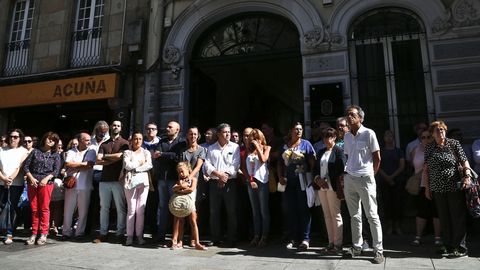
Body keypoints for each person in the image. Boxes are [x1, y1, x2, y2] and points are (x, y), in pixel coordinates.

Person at [424, 121, 472, 258]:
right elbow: (426, 170)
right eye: (437, 130)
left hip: (454, 185)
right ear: (432, 134)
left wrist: (467, 176)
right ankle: (448, 245)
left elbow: (464, 160)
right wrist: (427, 188)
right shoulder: (429, 147)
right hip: (437, 187)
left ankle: (460, 247)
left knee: (457, 216)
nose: (441, 132)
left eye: (442, 129)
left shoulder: (453, 144)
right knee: (444, 217)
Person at [343, 105, 384, 264]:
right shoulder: (346, 136)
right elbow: (348, 156)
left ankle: (378, 250)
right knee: (354, 216)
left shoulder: (369, 133)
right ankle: (357, 247)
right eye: (347, 115)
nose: (349, 117)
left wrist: (370, 175)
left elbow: (377, 158)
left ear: (360, 118)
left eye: (352, 115)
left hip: (365, 178)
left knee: (372, 215)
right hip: (350, 178)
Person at [279, 122, 315, 251]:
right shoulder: (285, 145)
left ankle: (305, 239)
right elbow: (280, 163)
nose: (299, 131)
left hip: (303, 182)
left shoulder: (306, 144)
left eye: (300, 129)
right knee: (291, 210)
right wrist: (281, 177)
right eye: (296, 129)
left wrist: (311, 179)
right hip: (289, 182)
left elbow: (312, 162)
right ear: (291, 131)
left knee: (304, 209)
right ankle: (294, 238)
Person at [203, 123, 241, 247]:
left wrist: (224, 176)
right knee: (214, 211)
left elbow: (235, 164)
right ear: (218, 134)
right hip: (214, 183)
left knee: (231, 211)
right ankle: (215, 237)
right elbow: (207, 164)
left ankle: (232, 238)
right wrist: (218, 175)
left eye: (229, 132)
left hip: (229, 182)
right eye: (225, 132)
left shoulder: (235, 147)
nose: (228, 134)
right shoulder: (211, 148)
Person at [93, 120, 129, 243]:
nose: (116, 127)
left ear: (121, 128)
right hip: (104, 179)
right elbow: (98, 160)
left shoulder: (125, 143)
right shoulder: (104, 144)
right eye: (114, 125)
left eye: (118, 125)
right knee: (104, 207)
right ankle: (103, 233)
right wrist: (116, 157)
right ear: (110, 128)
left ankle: (120, 233)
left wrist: (106, 157)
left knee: (120, 207)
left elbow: (123, 158)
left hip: (118, 179)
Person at [24, 131, 62, 245]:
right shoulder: (35, 151)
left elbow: (56, 170)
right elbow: (26, 166)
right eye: (49, 139)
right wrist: (31, 178)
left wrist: (46, 179)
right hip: (33, 182)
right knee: (34, 209)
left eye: (54, 140)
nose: (51, 141)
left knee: (44, 208)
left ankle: (44, 233)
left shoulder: (56, 155)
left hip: (47, 183)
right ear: (44, 139)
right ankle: (34, 233)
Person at [313, 127, 346, 254]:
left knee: (335, 215)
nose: (327, 139)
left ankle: (338, 244)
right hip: (321, 187)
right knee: (326, 215)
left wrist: (327, 179)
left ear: (335, 138)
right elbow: (315, 168)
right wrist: (317, 179)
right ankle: (330, 242)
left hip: (332, 187)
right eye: (325, 137)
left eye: (330, 136)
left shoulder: (339, 151)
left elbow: (341, 167)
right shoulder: (321, 151)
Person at [154, 121, 186, 247]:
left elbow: (179, 156)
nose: (167, 128)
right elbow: (156, 155)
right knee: (162, 207)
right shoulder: (162, 141)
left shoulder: (181, 142)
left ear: (177, 130)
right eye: (167, 126)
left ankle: (175, 236)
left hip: (174, 179)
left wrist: (163, 154)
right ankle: (161, 235)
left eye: (170, 127)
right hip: (162, 178)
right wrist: (166, 155)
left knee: (175, 207)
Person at [410, 129, 442, 247]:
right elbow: (412, 167)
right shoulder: (415, 150)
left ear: (433, 138)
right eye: (423, 137)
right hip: (421, 185)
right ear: (420, 139)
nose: (426, 139)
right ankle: (418, 237)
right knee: (421, 211)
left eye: (429, 137)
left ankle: (438, 237)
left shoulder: (437, 150)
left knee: (436, 211)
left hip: (436, 185)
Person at [62, 133, 96, 239]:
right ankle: (66, 232)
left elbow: (90, 165)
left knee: (83, 211)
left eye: (89, 140)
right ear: (80, 140)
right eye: (86, 140)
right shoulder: (71, 151)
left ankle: (79, 233)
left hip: (85, 185)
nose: (89, 142)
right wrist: (83, 164)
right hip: (72, 184)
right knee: (68, 210)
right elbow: (67, 164)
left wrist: (75, 164)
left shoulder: (92, 151)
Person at [123, 132, 153, 246]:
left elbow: (149, 165)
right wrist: (140, 163)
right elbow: (127, 166)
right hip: (130, 182)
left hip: (143, 182)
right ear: (132, 140)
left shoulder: (146, 152)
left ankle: (139, 236)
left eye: (140, 139)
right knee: (131, 210)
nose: (138, 141)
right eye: (136, 138)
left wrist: (136, 168)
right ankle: (129, 236)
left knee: (141, 210)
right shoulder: (127, 152)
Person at [0, 129, 29, 244]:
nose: (13, 138)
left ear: (20, 138)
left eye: (16, 137)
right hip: (1, 182)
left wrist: (10, 178)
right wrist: (3, 178)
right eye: (11, 136)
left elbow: (20, 167)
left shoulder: (23, 151)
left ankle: (9, 232)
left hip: (16, 184)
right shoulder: (1, 150)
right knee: (2, 206)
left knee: (12, 207)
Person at [170, 162, 207, 250]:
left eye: (182, 171)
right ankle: (179, 241)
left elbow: (191, 189)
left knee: (193, 222)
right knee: (181, 222)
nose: (181, 174)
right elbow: (173, 188)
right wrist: (181, 185)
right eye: (179, 172)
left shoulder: (193, 179)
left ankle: (197, 242)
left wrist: (181, 188)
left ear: (188, 170)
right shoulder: (180, 181)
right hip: (181, 204)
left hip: (191, 204)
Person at [180, 126, 206, 246]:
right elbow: (181, 167)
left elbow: (198, 166)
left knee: (195, 210)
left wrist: (189, 177)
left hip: (196, 182)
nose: (193, 136)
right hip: (184, 182)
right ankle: (181, 237)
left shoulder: (202, 150)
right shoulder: (184, 151)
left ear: (198, 135)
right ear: (187, 135)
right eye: (190, 134)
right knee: (184, 207)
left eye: (195, 134)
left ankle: (193, 238)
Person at [245, 128, 271, 247]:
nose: (254, 140)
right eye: (252, 138)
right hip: (251, 182)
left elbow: (263, 159)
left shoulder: (267, 148)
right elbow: (245, 168)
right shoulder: (248, 151)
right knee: (255, 211)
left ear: (261, 138)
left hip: (262, 181)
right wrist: (249, 180)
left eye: (257, 138)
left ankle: (264, 236)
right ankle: (256, 235)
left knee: (263, 210)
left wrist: (259, 147)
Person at [377, 130, 405, 234]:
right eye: (386, 135)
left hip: (397, 181)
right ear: (383, 138)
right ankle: (389, 226)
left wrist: (392, 177)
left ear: (394, 138)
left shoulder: (399, 151)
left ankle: (397, 226)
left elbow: (402, 166)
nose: (389, 138)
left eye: (391, 136)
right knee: (387, 203)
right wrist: (387, 178)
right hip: (384, 181)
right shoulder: (381, 151)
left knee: (397, 203)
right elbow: (378, 166)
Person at [86, 120, 110, 235]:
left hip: (104, 173)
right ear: (96, 131)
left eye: (104, 132)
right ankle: (88, 227)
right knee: (91, 201)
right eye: (100, 132)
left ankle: (103, 228)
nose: (102, 134)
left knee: (103, 203)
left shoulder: (109, 142)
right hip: (91, 173)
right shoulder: (90, 142)